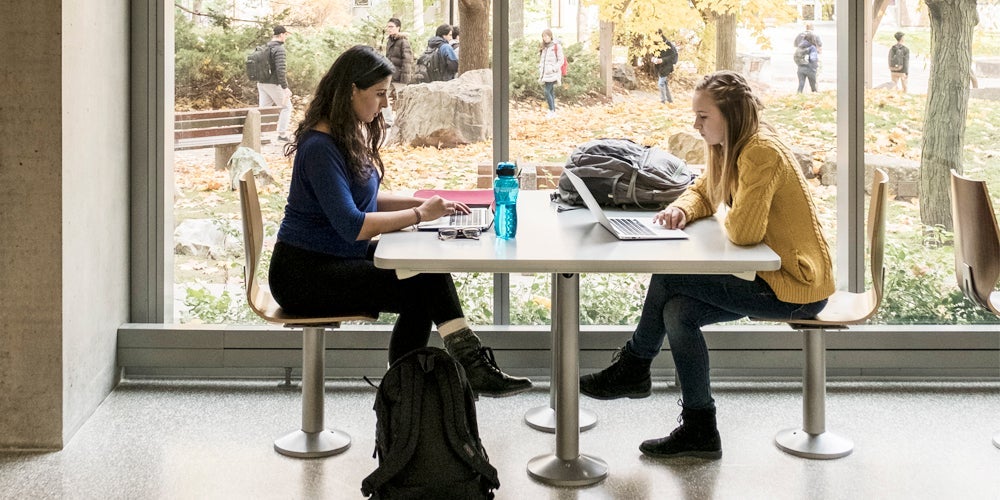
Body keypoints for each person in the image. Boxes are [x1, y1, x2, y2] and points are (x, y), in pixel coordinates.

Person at [579, 70, 835, 459]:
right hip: (769, 275)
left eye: (703, 117)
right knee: (678, 312)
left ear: (729, 116)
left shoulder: (760, 151)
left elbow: (746, 232)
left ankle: (634, 364)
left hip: (795, 285)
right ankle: (700, 429)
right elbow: (702, 190)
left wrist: (724, 211)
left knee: (668, 277)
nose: (695, 125)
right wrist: (682, 209)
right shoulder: (729, 147)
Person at [267, 45, 531, 397]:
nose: (384, 104)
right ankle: (435, 380)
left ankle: (420, 386)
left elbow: (365, 200)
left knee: (426, 271)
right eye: (378, 94)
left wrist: (424, 203)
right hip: (304, 274)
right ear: (351, 91)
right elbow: (354, 225)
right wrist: (421, 215)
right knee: (421, 288)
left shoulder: (340, 136)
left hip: (333, 256)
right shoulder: (320, 147)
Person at [257, 25, 294, 142]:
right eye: (286, 35)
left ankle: (258, 134)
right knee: (287, 107)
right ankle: (282, 134)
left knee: (263, 110)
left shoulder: (265, 47)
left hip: (261, 83)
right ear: (282, 35)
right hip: (273, 84)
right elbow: (280, 70)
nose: (286, 37)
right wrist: (285, 87)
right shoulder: (279, 49)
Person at [383, 17, 414, 127]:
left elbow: (407, 60)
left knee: (402, 99)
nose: (389, 29)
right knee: (383, 96)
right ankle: (388, 121)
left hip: (400, 76)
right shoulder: (389, 41)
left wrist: (405, 77)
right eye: (388, 26)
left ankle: (402, 121)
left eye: (391, 27)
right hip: (389, 75)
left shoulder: (403, 41)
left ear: (398, 28)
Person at [538, 29, 564, 118]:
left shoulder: (557, 46)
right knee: (551, 91)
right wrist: (541, 69)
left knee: (546, 91)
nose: (545, 38)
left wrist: (553, 69)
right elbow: (542, 60)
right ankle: (553, 111)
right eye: (543, 36)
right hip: (545, 73)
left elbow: (561, 60)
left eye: (546, 36)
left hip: (553, 73)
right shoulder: (544, 47)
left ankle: (551, 110)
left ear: (550, 36)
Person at [651, 29, 678, 104]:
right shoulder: (655, 44)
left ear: (660, 35)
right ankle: (670, 101)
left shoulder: (667, 43)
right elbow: (653, 53)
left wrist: (662, 60)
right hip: (660, 67)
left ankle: (663, 101)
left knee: (661, 83)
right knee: (664, 83)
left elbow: (673, 56)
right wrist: (653, 58)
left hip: (667, 66)